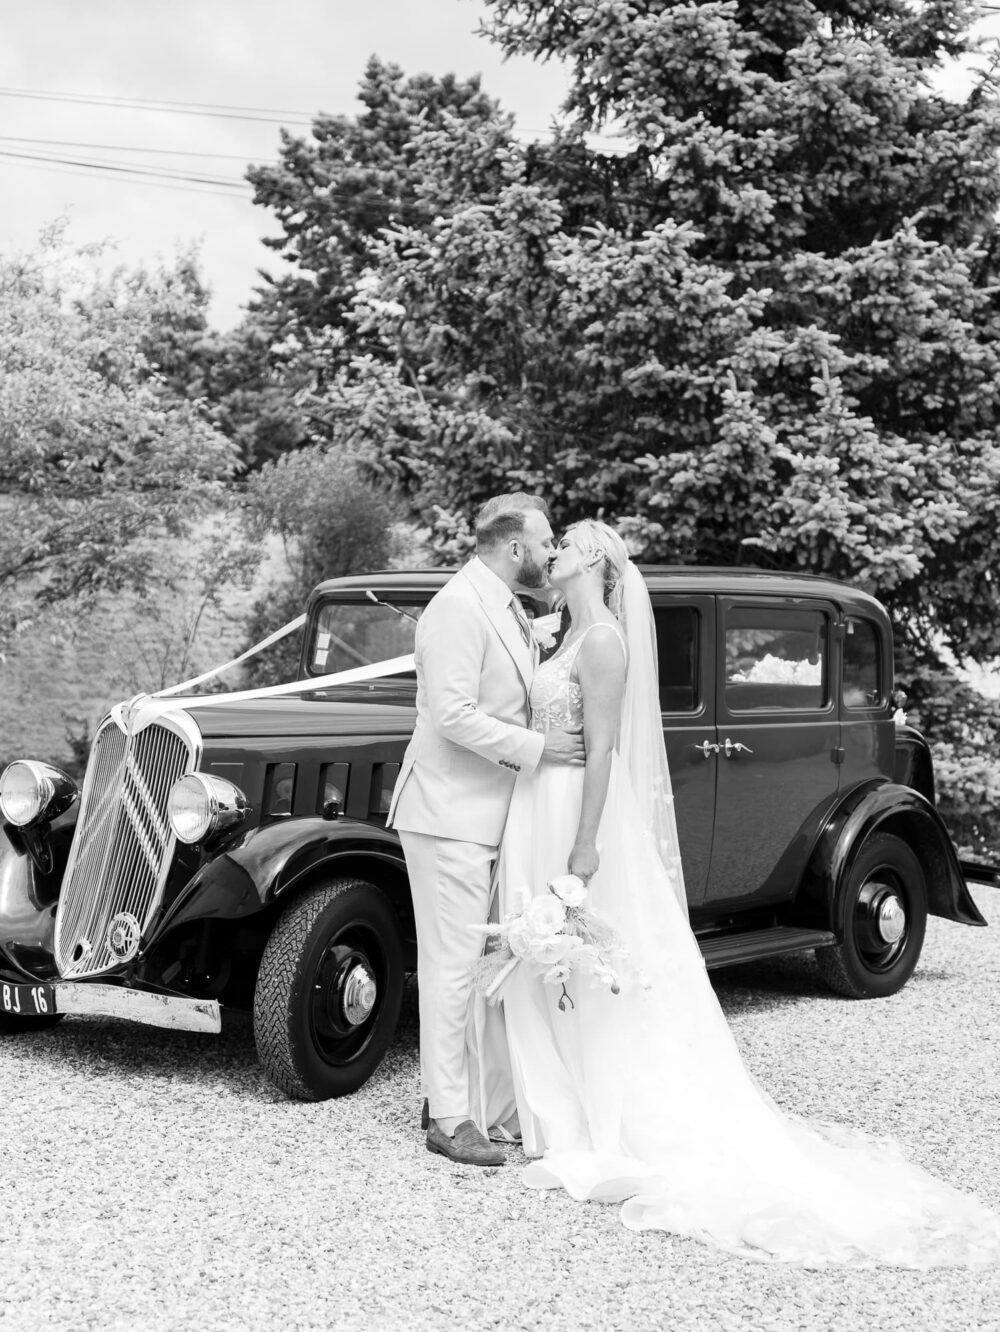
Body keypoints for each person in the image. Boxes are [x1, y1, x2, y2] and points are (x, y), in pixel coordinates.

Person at [474, 518, 1000, 1265]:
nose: (552, 548)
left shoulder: (601, 643)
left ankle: (589, 1112)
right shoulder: (560, 632)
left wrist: (585, 842)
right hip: (536, 801)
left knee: (586, 955)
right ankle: (548, 1104)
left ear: (591, 558)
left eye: (566, 542)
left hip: (571, 809)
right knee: (553, 955)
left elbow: (605, 754)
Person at [387, 493, 585, 1167]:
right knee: (450, 966)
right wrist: (540, 750)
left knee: (480, 966)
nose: (552, 551)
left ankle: (458, 1090)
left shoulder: (509, 607)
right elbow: (450, 715)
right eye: (546, 541)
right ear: (514, 548)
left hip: (491, 815)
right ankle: (447, 1116)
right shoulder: (456, 609)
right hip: (448, 814)